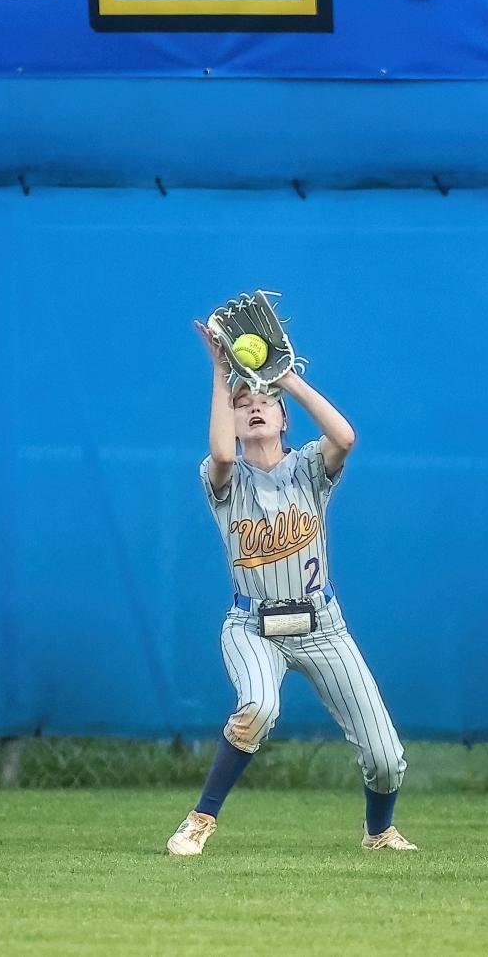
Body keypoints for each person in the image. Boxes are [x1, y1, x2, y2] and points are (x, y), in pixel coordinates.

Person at [165, 319, 416, 856]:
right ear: (232, 418)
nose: (254, 404)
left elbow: (345, 437)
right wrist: (219, 372)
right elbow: (225, 454)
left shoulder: (307, 467)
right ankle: (201, 819)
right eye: (242, 400)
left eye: (266, 399)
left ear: (283, 418)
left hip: (323, 627)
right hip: (252, 626)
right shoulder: (222, 476)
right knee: (257, 706)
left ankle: (379, 832)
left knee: (386, 758)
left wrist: (288, 378)